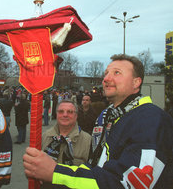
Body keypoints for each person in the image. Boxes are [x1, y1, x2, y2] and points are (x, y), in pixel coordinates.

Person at [23, 54, 173, 188]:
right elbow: (96, 168)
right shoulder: (107, 115)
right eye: (106, 73)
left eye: (117, 73)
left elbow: (127, 183)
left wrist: (56, 172)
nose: (106, 79)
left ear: (136, 82)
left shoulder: (150, 118)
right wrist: (52, 176)